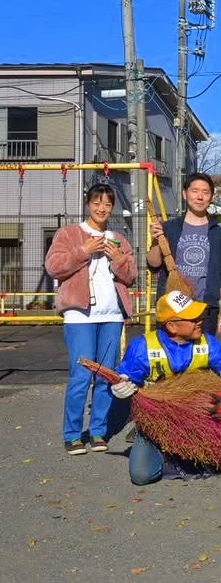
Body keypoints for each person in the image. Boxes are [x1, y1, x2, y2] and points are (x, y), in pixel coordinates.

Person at [110, 291, 221, 484]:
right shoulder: (142, 347)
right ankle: (173, 454)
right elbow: (126, 377)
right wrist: (120, 386)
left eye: (199, 316)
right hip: (157, 421)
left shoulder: (207, 343)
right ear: (171, 326)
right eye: (192, 318)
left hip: (198, 418)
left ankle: (197, 454)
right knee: (141, 475)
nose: (200, 320)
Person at [45, 183, 138, 455]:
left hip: (111, 314)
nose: (102, 208)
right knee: (81, 376)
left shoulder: (118, 238)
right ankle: (72, 434)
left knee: (105, 375)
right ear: (88, 204)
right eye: (97, 203)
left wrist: (119, 257)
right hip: (79, 316)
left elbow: (130, 276)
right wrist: (83, 250)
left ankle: (98, 431)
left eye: (107, 204)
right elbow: (53, 266)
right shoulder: (69, 234)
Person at [147, 172, 221, 338]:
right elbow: (153, 264)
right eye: (195, 191)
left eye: (205, 192)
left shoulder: (218, 233)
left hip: (204, 309)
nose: (200, 196)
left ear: (211, 197)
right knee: (169, 358)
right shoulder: (169, 228)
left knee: (200, 360)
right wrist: (157, 241)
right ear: (185, 194)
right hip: (172, 306)